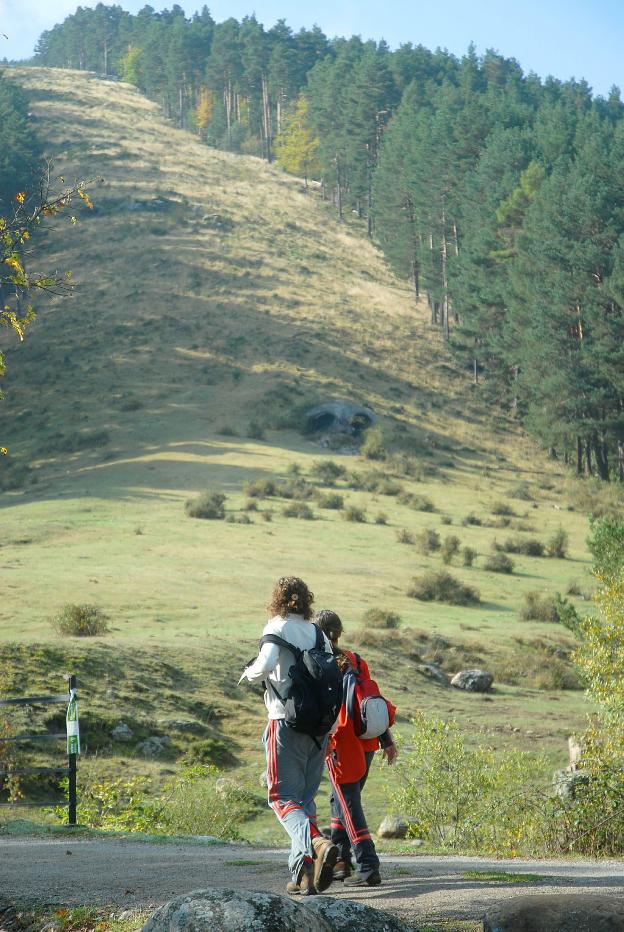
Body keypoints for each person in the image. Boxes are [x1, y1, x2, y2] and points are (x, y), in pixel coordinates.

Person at [239, 576, 339, 896]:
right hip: (320, 729)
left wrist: (248, 672)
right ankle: (302, 876)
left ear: (277, 600)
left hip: (285, 722)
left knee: (281, 798)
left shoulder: (276, 627)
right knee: (304, 801)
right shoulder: (318, 633)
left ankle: (316, 842)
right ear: (306, 601)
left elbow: (265, 665)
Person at [315, 608, 398, 887]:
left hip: (341, 743)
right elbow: (371, 700)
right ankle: (340, 862)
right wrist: (386, 740)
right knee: (339, 801)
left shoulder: (320, 662)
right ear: (339, 633)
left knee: (349, 806)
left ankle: (367, 867)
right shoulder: (356, 659)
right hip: (367, 741)